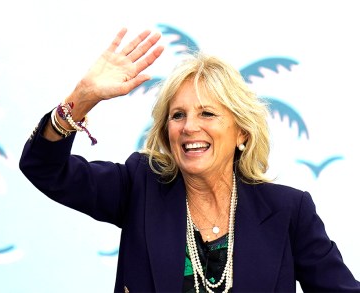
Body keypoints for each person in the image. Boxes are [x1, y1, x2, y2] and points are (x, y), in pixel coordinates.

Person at [19, 28, 360, 293]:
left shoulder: (289, 210)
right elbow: (45, 168)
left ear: (242, 132)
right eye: (177, 115)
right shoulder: (140, 186)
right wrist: (81, 99)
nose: (189, 127)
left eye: (207, 113)